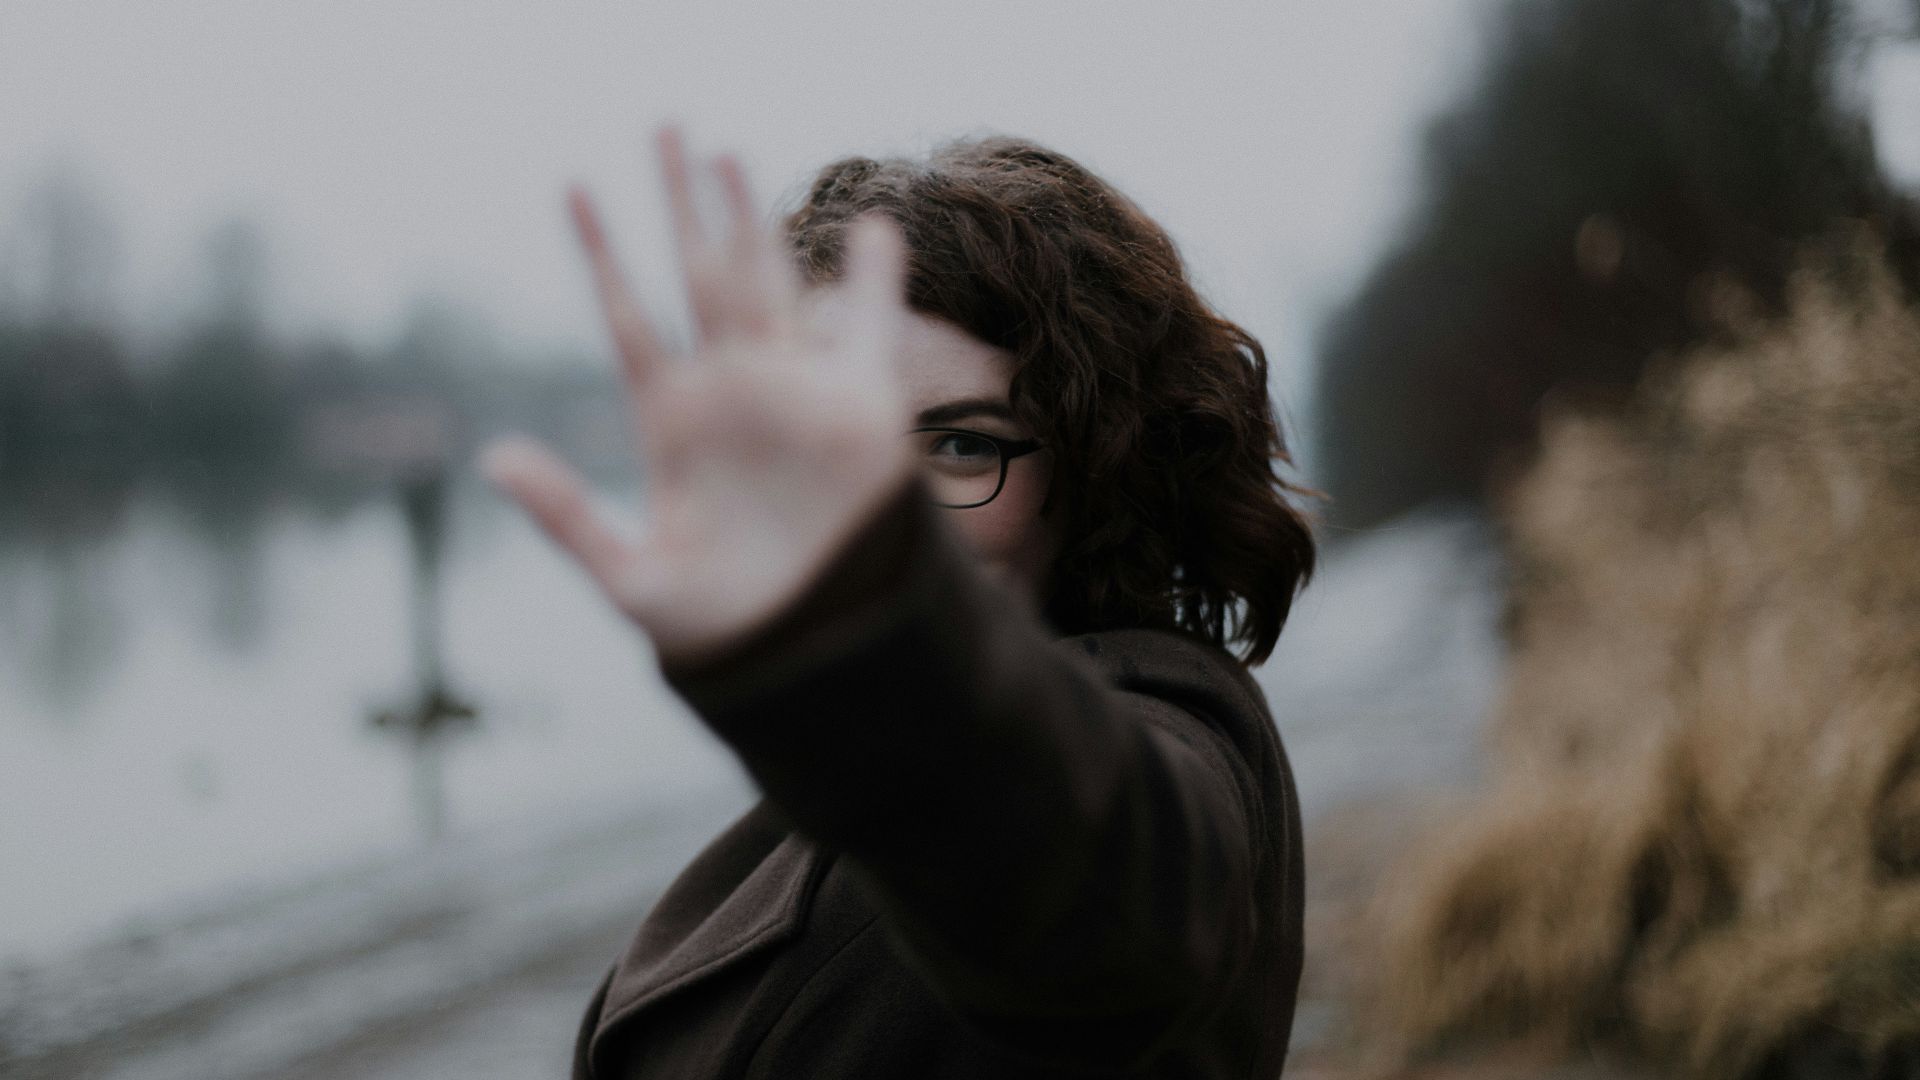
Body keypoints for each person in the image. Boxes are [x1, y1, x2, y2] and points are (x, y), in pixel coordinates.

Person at [483, 126, 1317, 1079]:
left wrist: (873, 637)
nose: (880, 508)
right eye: (844, 443)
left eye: (963, 445)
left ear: (1101, 469)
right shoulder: (856, 771)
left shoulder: (1162, 728)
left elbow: (1112, 926)